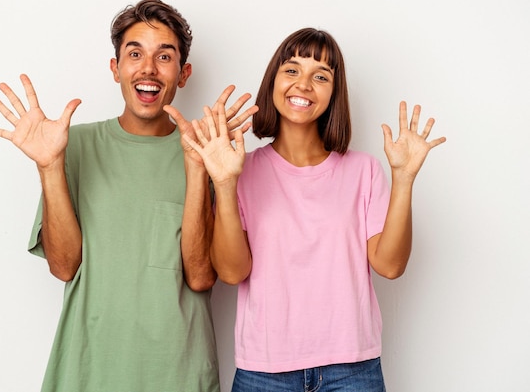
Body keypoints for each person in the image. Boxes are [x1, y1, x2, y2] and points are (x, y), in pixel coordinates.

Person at [0, 0, 255, 392]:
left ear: (183, 74)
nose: (148, 68)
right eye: (135, 53)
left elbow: (200, 278)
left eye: (165, 56)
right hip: (87, 371)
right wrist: (49, 167)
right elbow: (63, 266)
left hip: (178, 373)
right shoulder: (71, 145)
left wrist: (196, 168)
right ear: (116, 69)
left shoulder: (209, 153)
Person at [182, 27, 446, 391]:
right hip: (264, 371)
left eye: (320, 76)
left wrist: (403, 178)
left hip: (352, 370)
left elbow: (390, 265)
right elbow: (231, 271)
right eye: (292, 70)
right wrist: (225, 185)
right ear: (272, 80)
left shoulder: (363, 171)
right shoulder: (240, 169)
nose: (303, 84)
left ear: (334, 93)